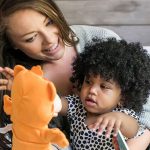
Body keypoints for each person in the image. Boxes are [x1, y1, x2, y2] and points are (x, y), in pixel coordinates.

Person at [0, 0, 149, 149]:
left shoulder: (99, 39)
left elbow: (141, 119)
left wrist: (135, 137)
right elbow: (48, 105)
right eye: (31, 38)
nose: (50, 40)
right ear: (13, 44)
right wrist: (23, 89)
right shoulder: (74, 105)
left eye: (50, 22)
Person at [58, 38, 150, 150]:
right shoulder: (78, 106)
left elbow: (135, 130)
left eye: (104, 87)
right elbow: (59, 104)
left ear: (123, 97)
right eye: (88, 82)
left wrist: (119, 119)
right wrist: (52, 102)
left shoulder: (123, 114)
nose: (92, 90)